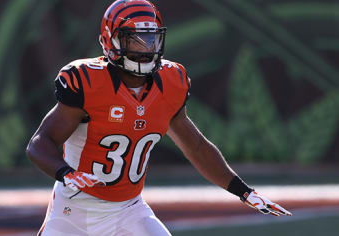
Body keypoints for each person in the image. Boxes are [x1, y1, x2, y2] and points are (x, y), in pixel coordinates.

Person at [26, 0, 292, 235]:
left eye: (151, 39)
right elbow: (40, 143)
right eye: (135, 40)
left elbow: (196, 146)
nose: (146, 48)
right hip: (74, 210)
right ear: (111, 41)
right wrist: (66, 173)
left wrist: (243, 191)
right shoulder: (87, 81)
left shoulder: (171, 81)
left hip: (128, 210)